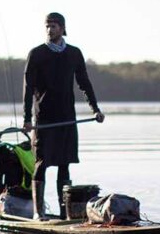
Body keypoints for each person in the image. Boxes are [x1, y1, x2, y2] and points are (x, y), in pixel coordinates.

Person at [22, 12, 104, 220]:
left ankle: (64, 212)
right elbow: (28, 87)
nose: (50, 30)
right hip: (43, 119)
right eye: (47, 26)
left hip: (67, 117)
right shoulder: (37, 53)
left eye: (54, 26)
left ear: (63, 28)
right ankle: (38, 212)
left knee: (64, 164)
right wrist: (27, 119)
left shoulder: (74, 54)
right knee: (41, 163)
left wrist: (95, 109)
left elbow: (84, 83)